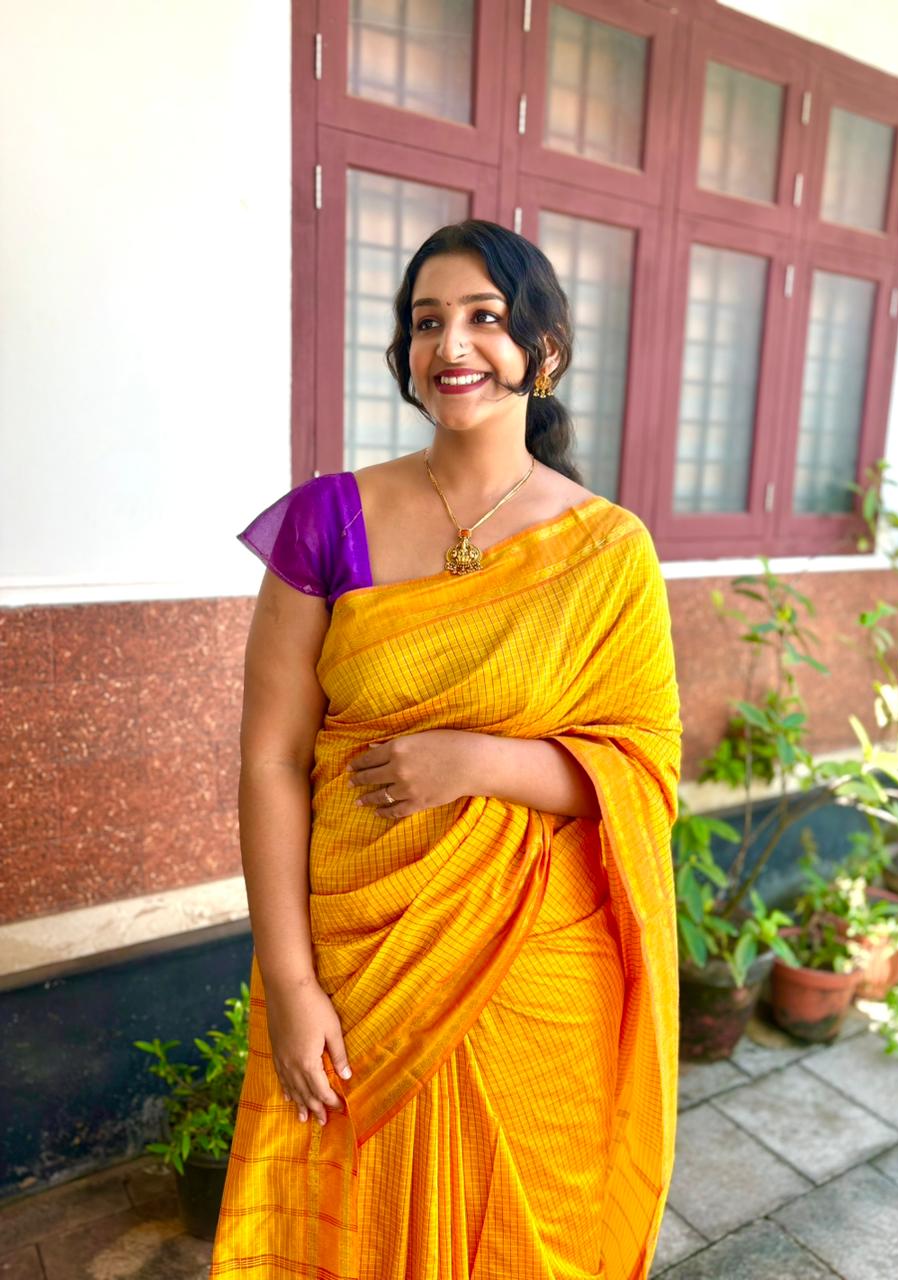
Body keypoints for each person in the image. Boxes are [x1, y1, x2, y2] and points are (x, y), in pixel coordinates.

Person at [209, 219, 682, 1280]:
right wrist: (291, 982)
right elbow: (271, 759)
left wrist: (479, 762)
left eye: (485, 317)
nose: (452, 344)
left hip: (535, 963)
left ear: (542, 350)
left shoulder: (608, 550)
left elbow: (645, 767)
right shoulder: (329, 519)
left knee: (522, 1232)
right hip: (357, 953)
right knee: (354, 1224)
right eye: (428, 321)